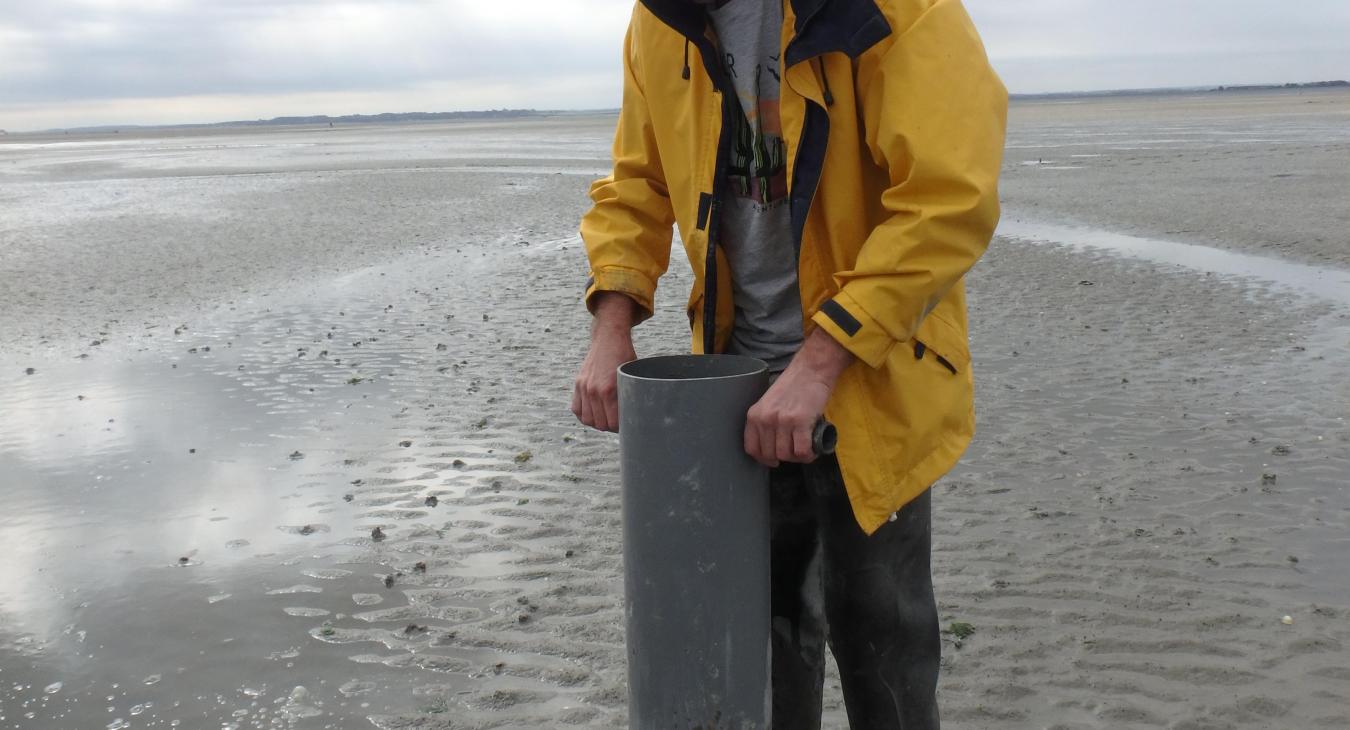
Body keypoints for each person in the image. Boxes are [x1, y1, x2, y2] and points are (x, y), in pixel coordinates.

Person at [571, 0, 1006, 726]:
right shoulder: (662, 20)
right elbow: (637, 182)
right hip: (735, 392)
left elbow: (949, 199)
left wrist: (821, 361)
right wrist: (611, 321)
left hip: (873, 375)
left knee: (883, 639)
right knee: (762, 637)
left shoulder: (899, 9)